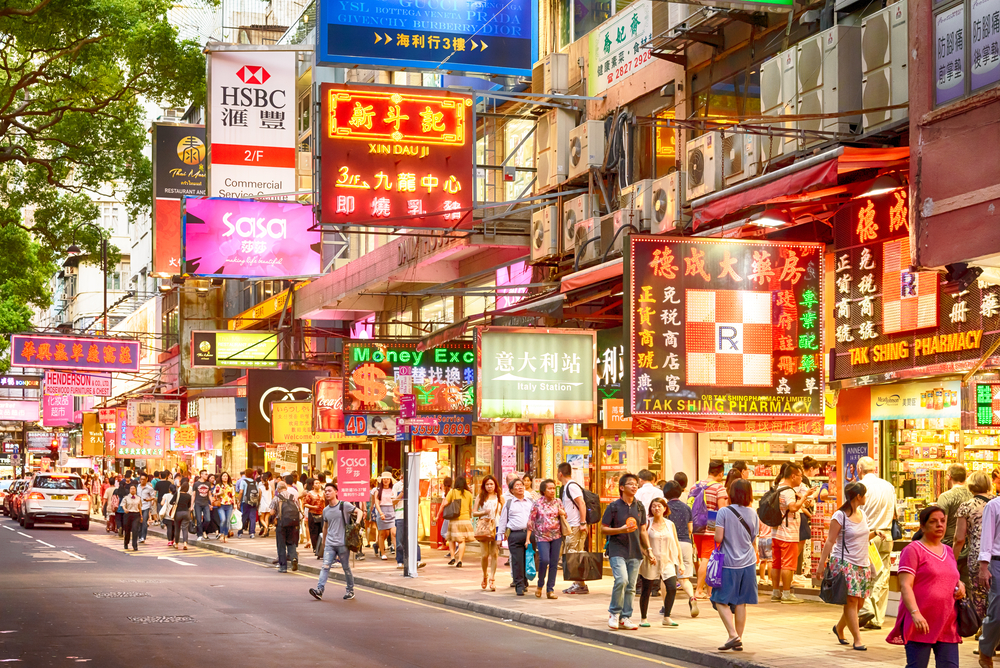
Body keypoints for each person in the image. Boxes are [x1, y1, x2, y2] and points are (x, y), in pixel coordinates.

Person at [888, 506, 966, 667]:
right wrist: (915, 614)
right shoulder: (913, 550)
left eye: (942, 521)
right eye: (933, 521)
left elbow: (951, 577)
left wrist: (961, 585)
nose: (940, 525)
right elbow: (905, 586)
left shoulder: (948, 551)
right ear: (922, 526)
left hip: (947, 622)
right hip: (921, 623)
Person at [818, 482, 880, 651]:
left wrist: (876, 533)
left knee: (859, 604)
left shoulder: (862, 514)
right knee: (851, 602)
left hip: (863, 564)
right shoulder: (839, 516)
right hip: (845, 563)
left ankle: (839, 628)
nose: (866, 498)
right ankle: (857, 639)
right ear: (857, 497)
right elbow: (830, 541)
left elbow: (862, 537)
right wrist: (821, 565)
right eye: (864, 495)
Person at [711, 479, 759, 652]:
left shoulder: (724, 512)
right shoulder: (753, 513)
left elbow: (718, 538)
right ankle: (738, 639)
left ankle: (733, 635)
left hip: (729, 563)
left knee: (718, 599)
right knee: (741, 602)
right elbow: (753, 538)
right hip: (748, 562)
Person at [602, 473, 652, 631]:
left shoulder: (639, 506)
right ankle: (614, 613)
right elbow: (603, 529)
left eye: (636, 483)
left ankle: (626, 617)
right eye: (630, 483)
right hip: (617, 549)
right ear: (622, 487)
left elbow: (643, 530)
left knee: (631, 586)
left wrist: (648, 550)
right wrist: (620, 529)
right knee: (621, 580)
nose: (634, 486)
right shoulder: (613, 507)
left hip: (635, 551)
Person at [853, 456, 897, 629]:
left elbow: (854, 514)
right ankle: (877, 619)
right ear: (875, 469)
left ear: (859, 469)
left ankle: (866, 608)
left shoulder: (861, 487)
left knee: (865, 574)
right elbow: (895, 514)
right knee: (882, 576)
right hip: (886, 535)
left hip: (868, 537)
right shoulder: (888, 486)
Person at [771, 462, 820, 604]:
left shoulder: (779, 488)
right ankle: (786, 593)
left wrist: (803, 497)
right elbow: (792, 508)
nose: (801, 478)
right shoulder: (788, 491)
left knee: (776, 563)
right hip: (788, 532)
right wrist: (804, 497)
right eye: (799, 476)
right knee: (787, 564)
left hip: (776, 532)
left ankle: (776, 592)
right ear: (793, 476)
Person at [309, 483, 362, 601]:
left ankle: (350, 590)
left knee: (346, 567)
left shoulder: (344, 505)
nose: (327, 493)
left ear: (336, 492)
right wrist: (324, 543)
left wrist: (356, 524)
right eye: (325, 491)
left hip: (343, 543)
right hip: (330, 544)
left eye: (329, 491)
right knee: (325, 566)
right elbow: (325, 527)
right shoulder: (326, 510)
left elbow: (360, 512)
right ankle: (319, 590)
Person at [638, 497, 684, 628]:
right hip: (650, 561)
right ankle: (643, 618)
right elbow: (640, 542)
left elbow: (676, 543)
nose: (656, 508)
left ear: (665, 508)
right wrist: (647, 554)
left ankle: (667, 616)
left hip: (667, 561)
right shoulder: (647, 523)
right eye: (654, 506)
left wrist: (680, 562)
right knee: (646, 590)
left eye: (659, 506)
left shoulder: (670, 524)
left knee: (672, 587)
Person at [954, 471, 993, 622]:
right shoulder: (996, 502)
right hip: (996, 553)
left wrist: (953, 559)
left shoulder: (966, 506)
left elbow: (959, 538)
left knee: (978, 592)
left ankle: (983, 626)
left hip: (977, 553)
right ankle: (995, 629)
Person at [692, 460, 729, 599]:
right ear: (720, 473)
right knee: (707, 559)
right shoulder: (719, 488)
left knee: (703, 558)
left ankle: (710, 591)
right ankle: (699, 590)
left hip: (697, 526)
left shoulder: (695, 485)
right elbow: (722, 510)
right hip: (711, 526)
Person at [662, 480, 697, 616]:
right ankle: (692, 597)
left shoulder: (665, 507)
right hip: (686, 543)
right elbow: (690, 529)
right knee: (684, 578)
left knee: (665, 577)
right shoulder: (686, 507)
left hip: (670, 544)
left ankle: (666, 607)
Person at [528, 479, 565, 599]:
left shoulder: (558, 502)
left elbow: (565, 517)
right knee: (544, 560)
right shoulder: (537, 503)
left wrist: (562, 513)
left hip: (556, 536)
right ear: (543, 490)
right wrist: (528, 538)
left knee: (554, 563)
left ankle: (550, 589)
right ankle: (540, 585)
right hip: (542, 536)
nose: (552, 491)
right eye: (549, 488)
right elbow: (531, 520)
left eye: (554, 488)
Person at [558, 463, 591, 596]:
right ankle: (578, 583)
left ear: (560, 473)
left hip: (576, 526)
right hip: (572, 526)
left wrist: (582, 522)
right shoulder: (567, 486)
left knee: (574, 554)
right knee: (573, 554)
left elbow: (581, 503)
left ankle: (581, 584)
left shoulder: (572, 486)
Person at [937, 464, 973, 583]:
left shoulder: (945, 497)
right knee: (967, 587)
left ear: (949, 477)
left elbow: (941, 525)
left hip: (949, 546)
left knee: (948, 584)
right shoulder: (973, 495)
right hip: (971, 547)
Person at [497, 478, 533, 596]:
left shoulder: (530, 502)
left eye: (521, 485)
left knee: (528, 559)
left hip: (529, 534)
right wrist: (499, 538)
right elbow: (503, 521)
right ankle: (519, 585)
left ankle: (525, 581)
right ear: (511, 490)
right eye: (517, 486)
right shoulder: (508, 504)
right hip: (515, 534)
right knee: (517, 560)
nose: (520, 487)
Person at [977, 491, 1000, 667]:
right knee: (997, 612)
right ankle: (986, 650)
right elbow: (986, 538)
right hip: (998, 563)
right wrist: (984, 567)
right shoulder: (993, 506)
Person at [473, 475, 501, 591]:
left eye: (491, 484)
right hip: (484, 526)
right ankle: (485, 575)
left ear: (495, 485)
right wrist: (483, 512)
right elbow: (474, 513)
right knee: (484, 555)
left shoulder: (500, 498)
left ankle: (492, 578)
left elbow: (504, 513)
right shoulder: (480, 496)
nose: (489, 486)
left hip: (497, 526)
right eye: (487, 484)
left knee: (494, 553)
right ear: (484, 486)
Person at [442, 476, 475, 567]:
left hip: (454, 519)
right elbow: (470, 507)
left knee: (452, 539)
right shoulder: (469, 494)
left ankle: (452, 557)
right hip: (465, 519)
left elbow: (445, 503)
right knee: (462, 541)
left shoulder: (452, 492)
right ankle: (460, 560)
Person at [270, 481, 300, 573]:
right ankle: (294, 558)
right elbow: (298, 509)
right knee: (291, 543)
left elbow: (271, 512)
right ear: (286, 488)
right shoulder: (293, 497)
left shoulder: (277, 498)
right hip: (292, 523)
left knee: (281, 545)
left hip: (281, 523)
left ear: (278, 489)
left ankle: (283, 567)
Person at [392, 473, 420, 569]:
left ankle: (417, 560)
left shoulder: (414, 485)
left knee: (414, 539)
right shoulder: (396, 486)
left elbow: (418, 500)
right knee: (400, 540)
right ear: (401, 478)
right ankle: (400, 561)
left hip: (412, 515)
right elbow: (393, 502)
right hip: (400, 516)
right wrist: (402, 493)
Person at [372, 472, 396, 560]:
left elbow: (395, 501)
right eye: (384, 479)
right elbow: (376, 503)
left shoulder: (393, 490)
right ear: (381, 480)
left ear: (390, 480)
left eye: (388, 479)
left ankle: (398, 553)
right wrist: (381, 513)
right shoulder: (377, 490)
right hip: (382, 511)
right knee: (382, 534)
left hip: (392, 511)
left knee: (394, 533)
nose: (386, 480)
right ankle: (383, 552)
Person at [235, 468, 260, 539]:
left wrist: (238, 501)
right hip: (254, 502)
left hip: (245, 501)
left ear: (245, 474)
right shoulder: (255, 482)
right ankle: (252, 533)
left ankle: (240, 532)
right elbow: (259, 493)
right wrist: (258, 502)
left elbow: (241, 492)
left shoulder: (243, 481)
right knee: (252, 517)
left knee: (244, 517)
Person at [304, 478, 325, 557]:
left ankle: (321, 548)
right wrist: (313, 507)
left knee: (322, 531)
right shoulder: (310, 494)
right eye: (316, 483)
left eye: (319, 483)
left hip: (322, 514)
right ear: (313, 485)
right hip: (313, 514)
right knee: (314, 532)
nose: (318, 484)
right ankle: (315, 547)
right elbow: (305, 504)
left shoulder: (323, 493)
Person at [192, 471, 213, 540]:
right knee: (198, 520)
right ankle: (199, 534)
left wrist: (211, 503)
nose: (207, 475)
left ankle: (203, 530)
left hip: (206, 503)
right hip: (198, 503)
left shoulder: (208, 484)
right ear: (201, 475)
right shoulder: (196, 484)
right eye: (206, 474)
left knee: (208, 519)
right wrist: (191, 505)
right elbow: (193, 495)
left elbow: (209, 494)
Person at [120, 484, 141, 552]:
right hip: (128, 514)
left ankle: (134, 545)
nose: (132, 490)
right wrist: (125, 509)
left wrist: (141, 516)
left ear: (136, 490)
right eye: (131, 488)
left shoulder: (138, 498)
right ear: (129, 490)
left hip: (136, 514)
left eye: (134, 489)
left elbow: (139, 507)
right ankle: (126, 543)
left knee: (135, 529)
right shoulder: (126, 498)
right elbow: (123, 505)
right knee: (127, 530)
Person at [257, 473, 273, 538]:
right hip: (269, 504)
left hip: (263, 504)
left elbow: (260, 497)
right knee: (266, 519)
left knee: (261, 519)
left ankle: (266, 527)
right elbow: (272, 495)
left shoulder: (260, 488)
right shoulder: (270, 487)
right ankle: (265, 532)